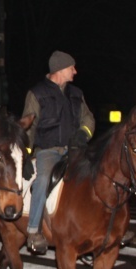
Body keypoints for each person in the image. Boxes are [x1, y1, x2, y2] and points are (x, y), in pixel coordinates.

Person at [22, 50, 95, 254]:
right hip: (48, 151)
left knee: (98, 174)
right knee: (43, 180)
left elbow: (89, 119)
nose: (75, 71)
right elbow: (29, 126)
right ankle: (34, 230)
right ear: (61, 69)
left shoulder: (76, 94)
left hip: (75, 151)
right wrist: (26, 154)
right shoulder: (37, 93)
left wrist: (82, 134)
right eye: (72, 67)